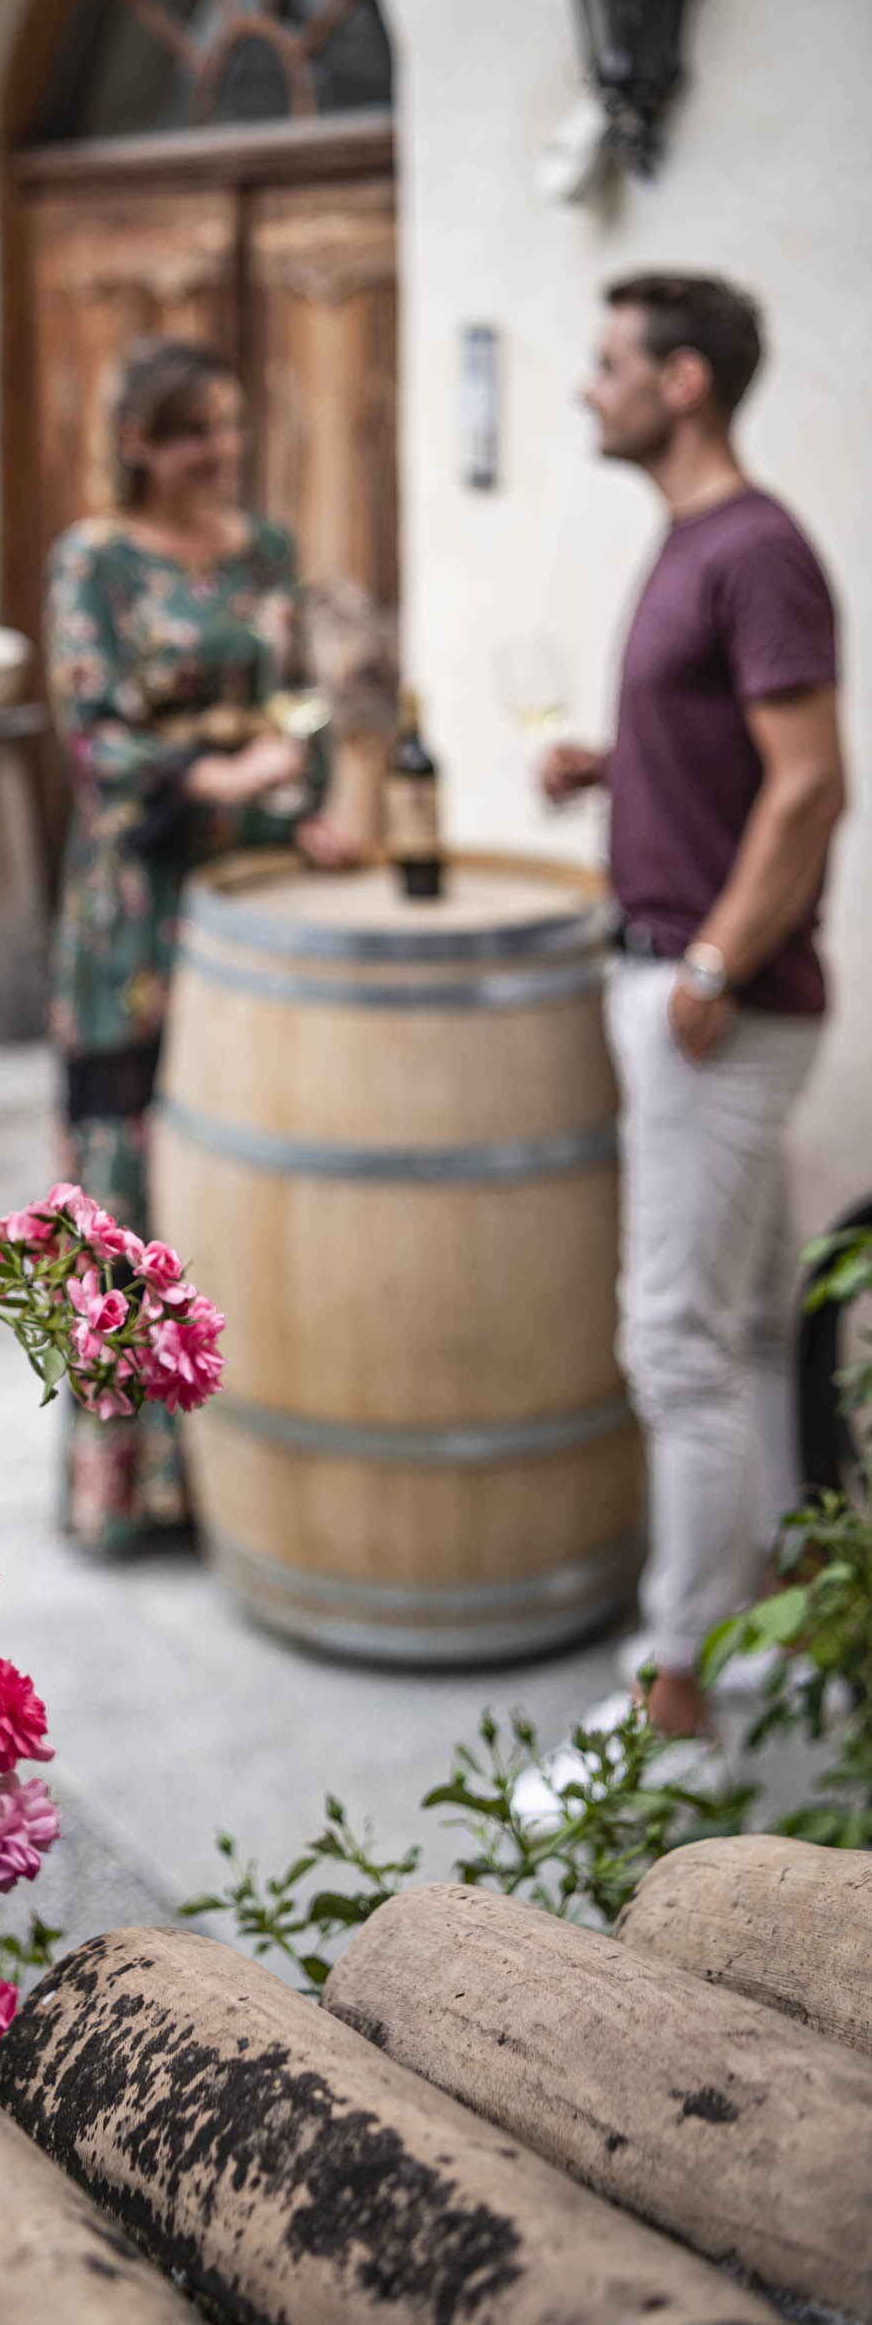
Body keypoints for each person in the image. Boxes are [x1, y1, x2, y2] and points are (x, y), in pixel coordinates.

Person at [541, 271, 846, 1766]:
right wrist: (613, 764)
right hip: (687, 983)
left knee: (671, 1346)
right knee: (745, 1332)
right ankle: (800, 1633)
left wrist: (711, 967)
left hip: (710, 1001)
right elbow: (730, 752)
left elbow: (808, 782)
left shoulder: (754, 546)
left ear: (680, 384)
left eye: (605, 364)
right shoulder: (691, 543)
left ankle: (678, 1702)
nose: (581, 387)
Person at [45, 336, 355, 1551]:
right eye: (192, 432)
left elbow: (301, 701)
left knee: (245, 1170)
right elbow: (94, 736)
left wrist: (307, 799)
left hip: (249, 895)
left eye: (227, 426)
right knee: (125, 1179)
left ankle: (236, 1473)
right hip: (130, 905)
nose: (217, 452)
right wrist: (218, 771)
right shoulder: (95, 561)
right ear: (138, 444)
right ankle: (127, 1485)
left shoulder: (265, 550)